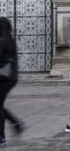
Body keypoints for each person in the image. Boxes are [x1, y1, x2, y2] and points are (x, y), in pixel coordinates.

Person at [0, 17, 26, 148]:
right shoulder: (10, 41)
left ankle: (2, 137)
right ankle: (17, 124)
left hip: (3, 78)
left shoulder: (1, 41)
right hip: (11, 78)